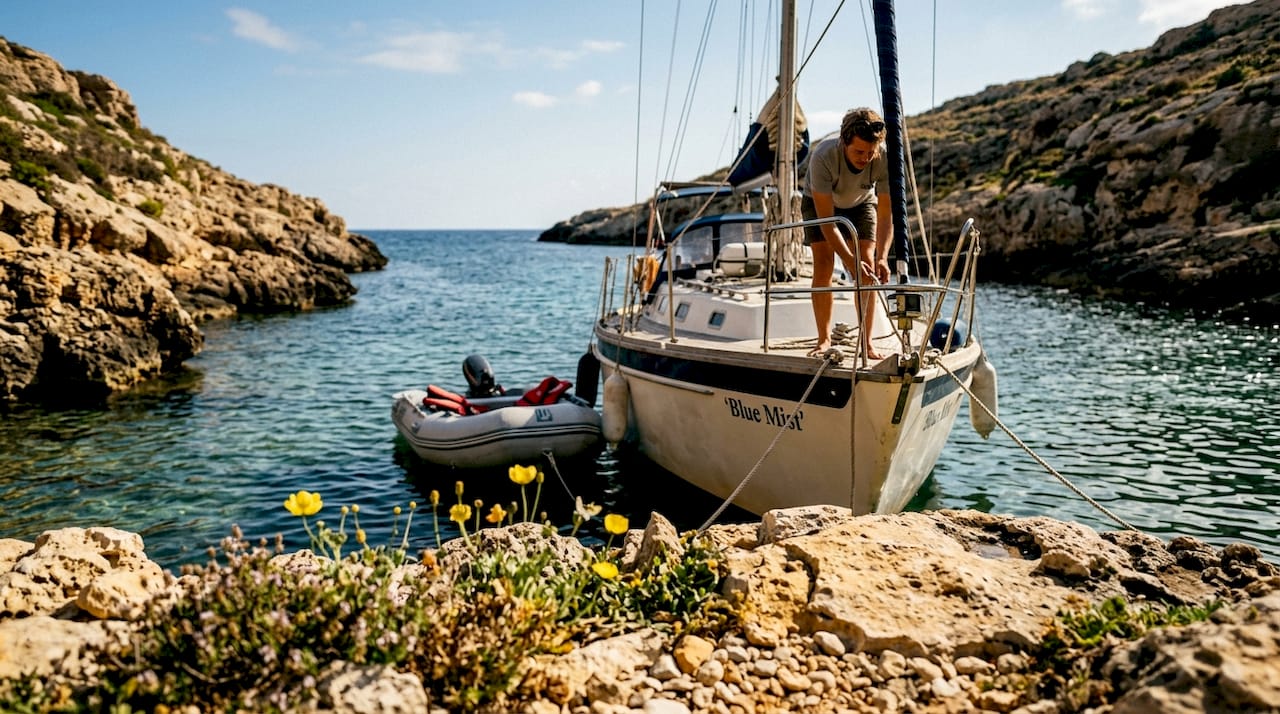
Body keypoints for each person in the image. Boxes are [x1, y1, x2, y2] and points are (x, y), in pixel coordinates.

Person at [800, 107, 891, 359]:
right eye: (859, 151)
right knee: (824, 263)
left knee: (868, 265)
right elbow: (828, 223)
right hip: (820, 205)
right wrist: (849, 262)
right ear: (844, 142)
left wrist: (882, 256)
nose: (865, 158)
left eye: (870, 153)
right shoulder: (824, 156)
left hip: (861, 203)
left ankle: (867, 343)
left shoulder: (883, 158)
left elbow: (885, 215)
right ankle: (824, 339)